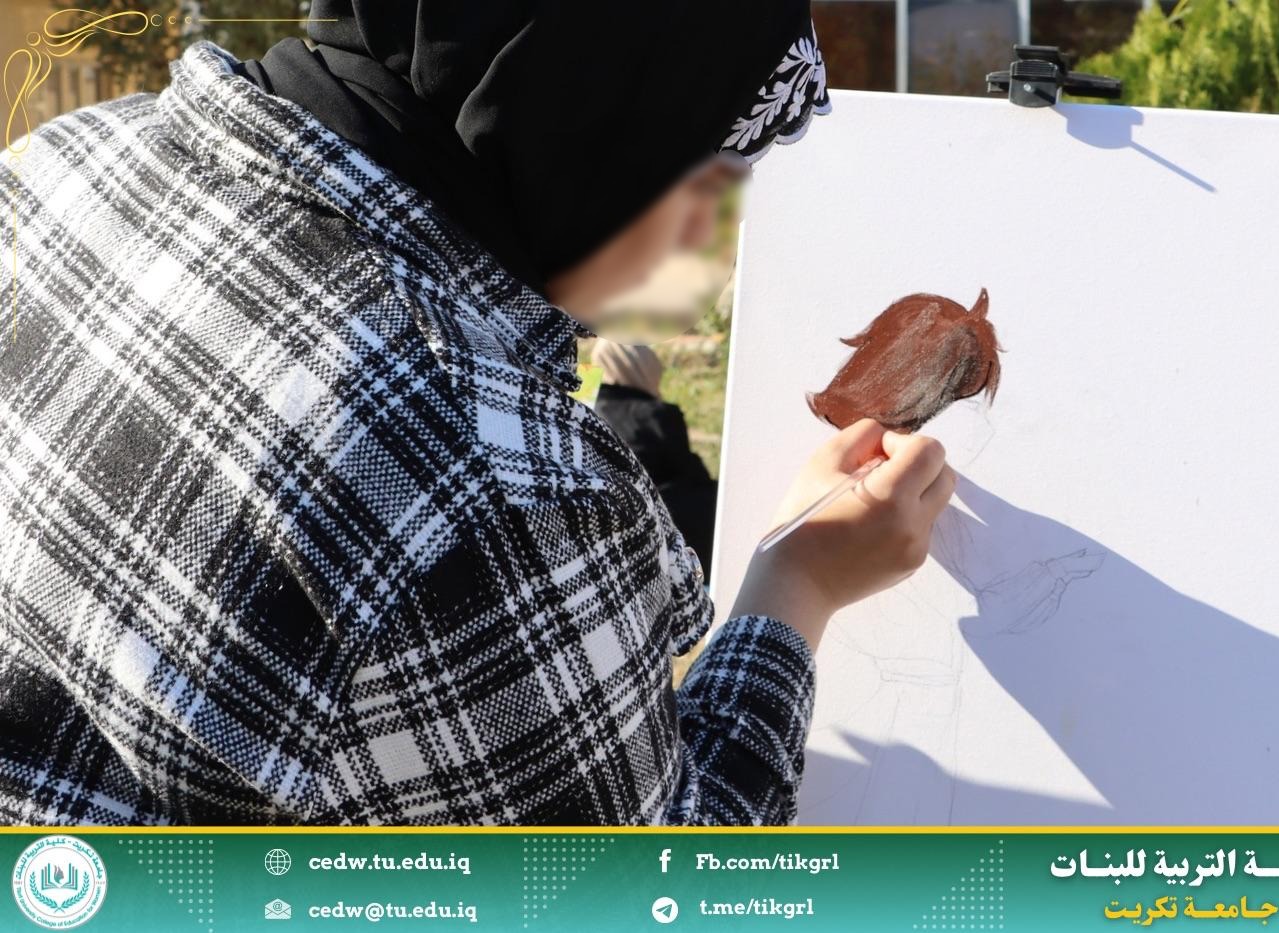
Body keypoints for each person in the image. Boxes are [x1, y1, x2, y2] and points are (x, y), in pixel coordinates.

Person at [0, 1, 955, 826]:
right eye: (711, 161)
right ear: (595, 101)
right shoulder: (492, 495)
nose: (716, 241)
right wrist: (799, 582)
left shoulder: (69, 157)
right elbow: (656, 888)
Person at [591, 340, 720, 577]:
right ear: (646, 368)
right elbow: (693, 478)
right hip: (649, 530)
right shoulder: (655, 415)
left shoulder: (583, 411)